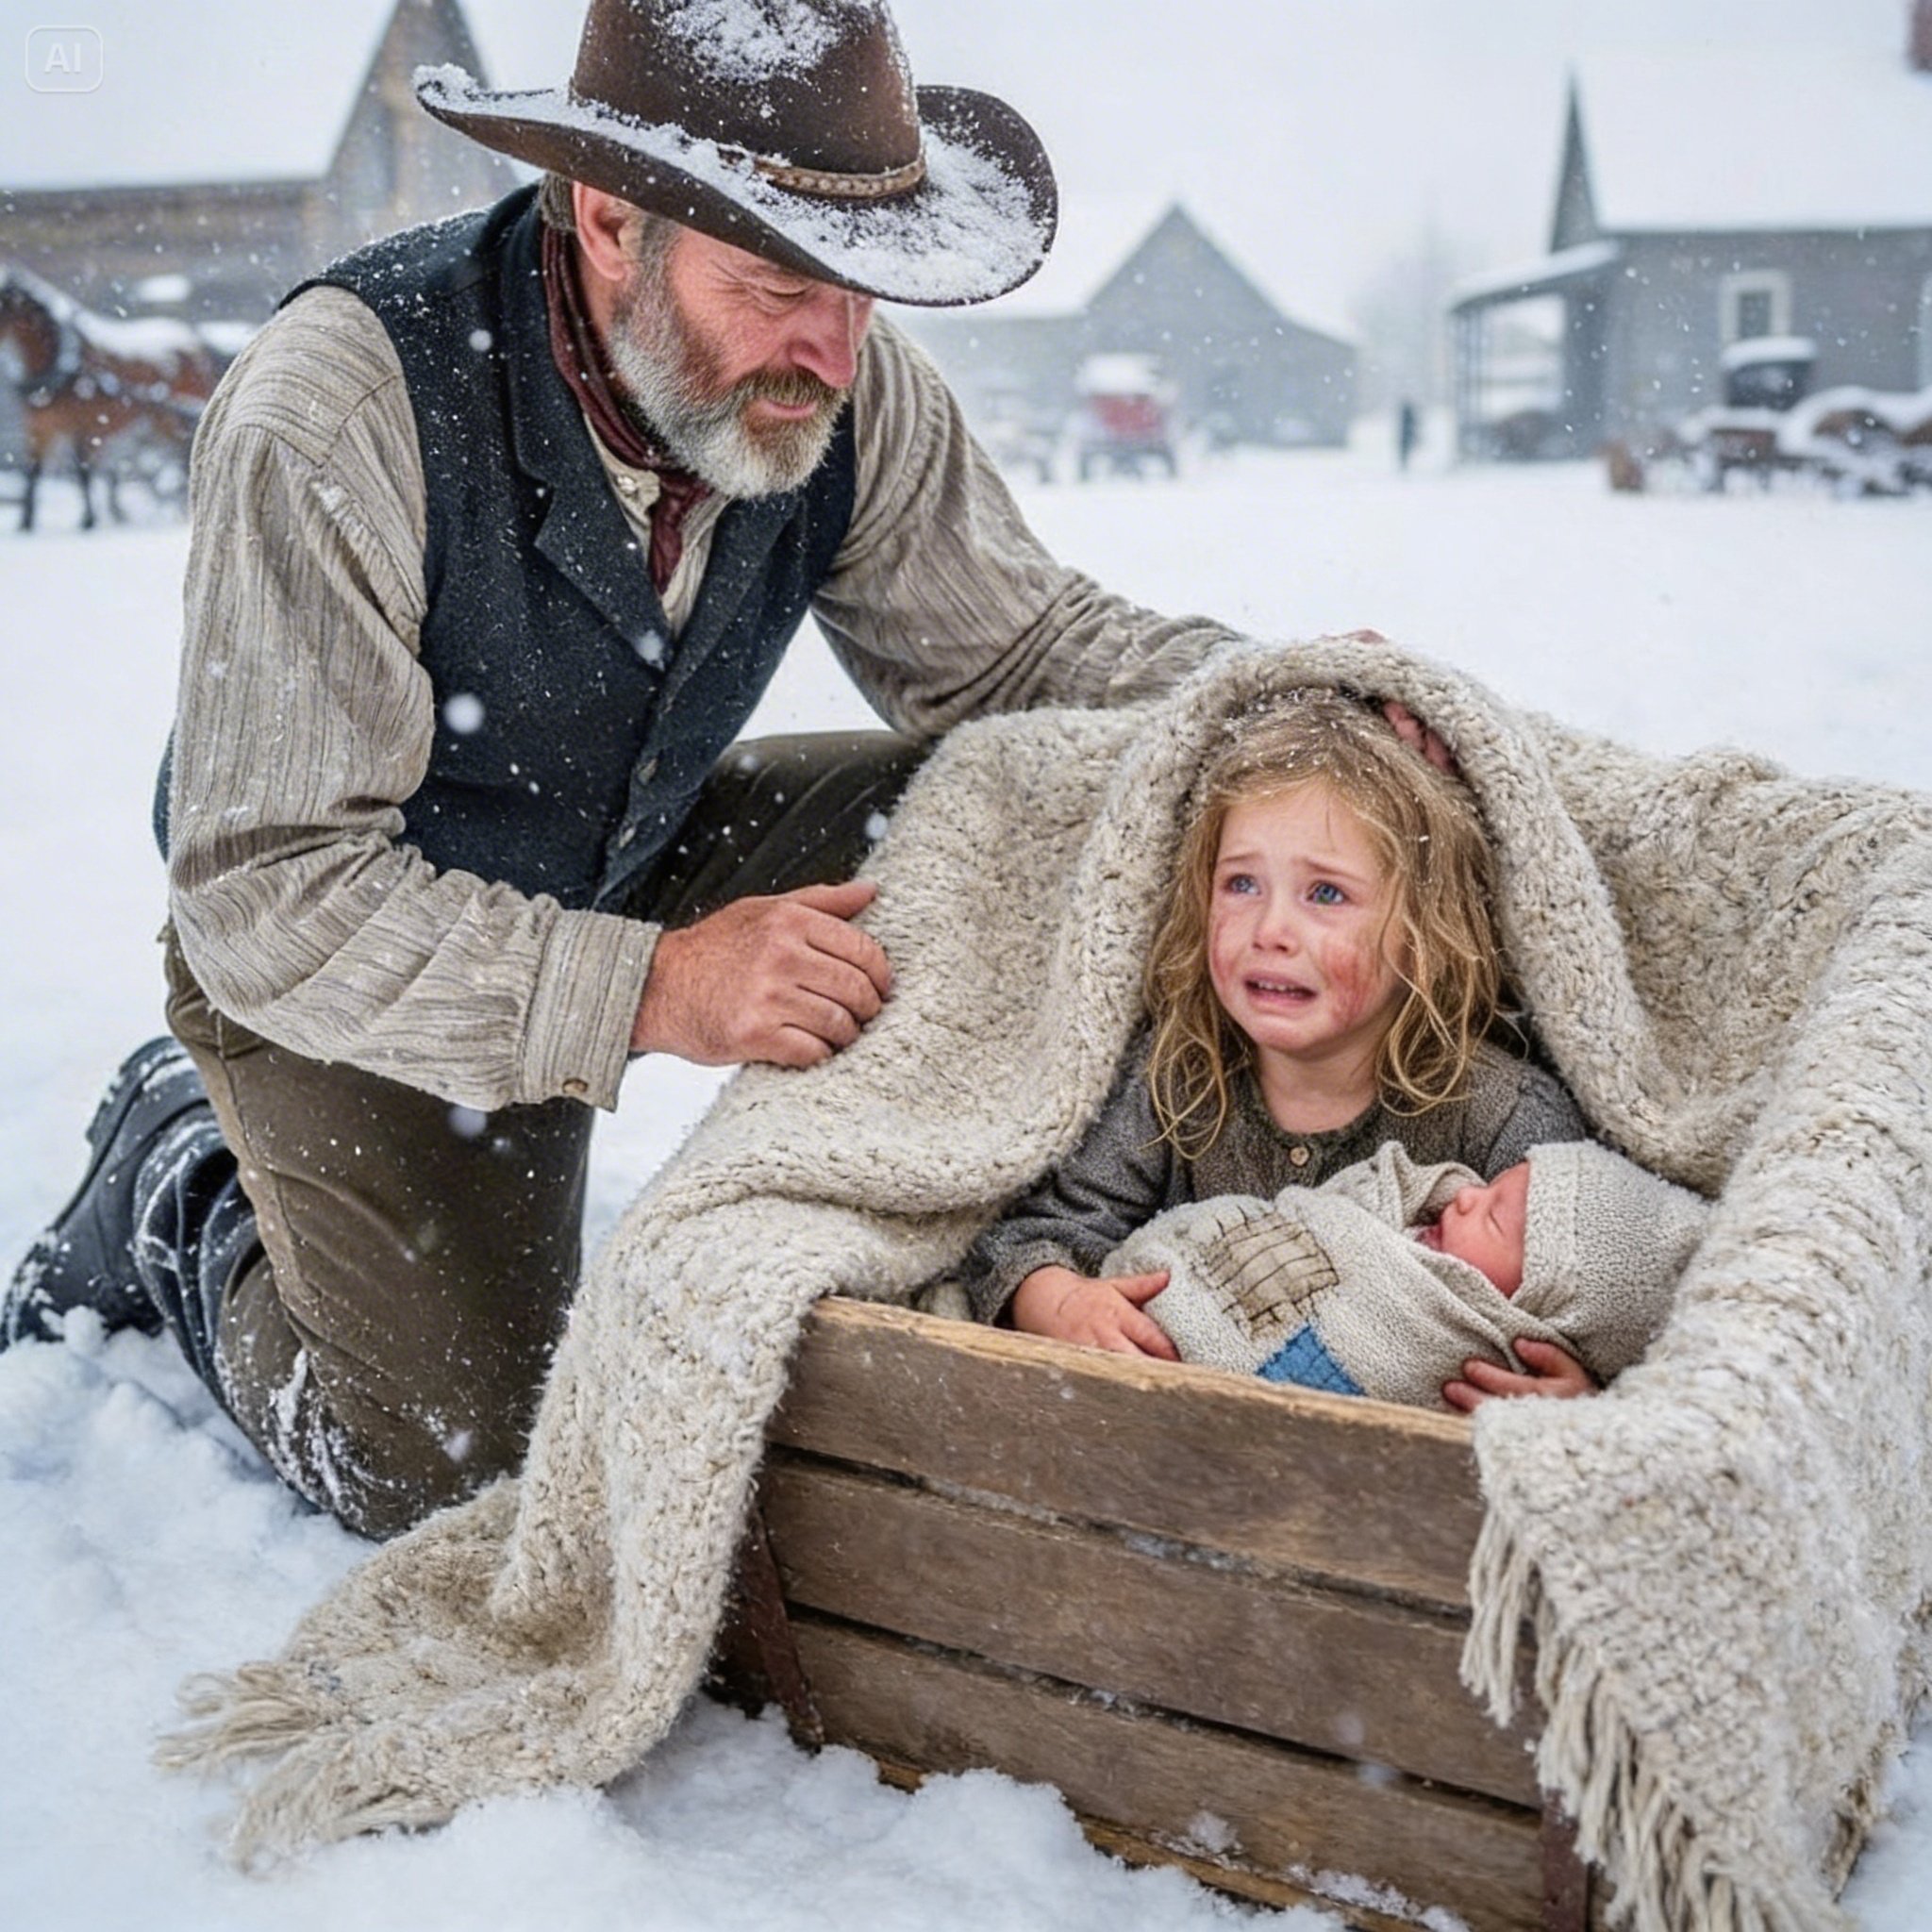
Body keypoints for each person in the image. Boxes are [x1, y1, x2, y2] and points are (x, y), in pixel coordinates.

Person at [2, 0, 1254, 1537]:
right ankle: (176, 1167)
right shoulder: (342, 404)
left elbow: (1017, 654)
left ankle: (978, 1212)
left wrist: (1288, 704)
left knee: (1053, 800)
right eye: (779, 281)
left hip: (628, 843)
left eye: (860, 288)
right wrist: (653, 988)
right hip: (351, 952)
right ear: (608, 218)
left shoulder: (839, 376)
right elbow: (268, 886)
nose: (832, 347)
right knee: (456, 1465)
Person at [957, 688, 1598, 1407]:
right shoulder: (1177, 1076)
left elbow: (1599, 1291)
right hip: (1179, 1449)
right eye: (1240, 884)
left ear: (1423, 935)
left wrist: (1577, 1391)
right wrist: (1061, 1304)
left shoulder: (1501, 1117)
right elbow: (1034, 1236)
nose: (1270, 930)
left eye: (1325, 894)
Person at [1108, 1139, 1709, 1409]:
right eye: (1491, 1186)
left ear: (1532, 1307)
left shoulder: (1497, 1357)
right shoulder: (1404, 1212)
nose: (1469, 1197)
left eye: (1496, 1219)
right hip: (1156, 1309)